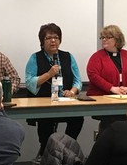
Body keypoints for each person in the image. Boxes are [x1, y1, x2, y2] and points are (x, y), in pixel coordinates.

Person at [25, 23, 83, 155]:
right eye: (48, 38)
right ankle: (49, 152)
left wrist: (72, 91)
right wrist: (49, 74)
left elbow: (77, 80)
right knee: (46, 124)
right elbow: (29, 82)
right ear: (42, 41)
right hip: (44, 103)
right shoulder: (35, 58)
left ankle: (67, 148)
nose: (53, 41)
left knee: (78, 118)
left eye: (56, 37)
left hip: (65, 101)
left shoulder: (68, 56)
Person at [86, 24, 127, 132]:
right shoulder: (97, 57)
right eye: (102, 37)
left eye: (107, 37)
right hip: (103, 99)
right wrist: (111, 88)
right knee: (110, 125)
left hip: (126, 99)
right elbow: (93, 75)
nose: (104, 40)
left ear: (117, 39)